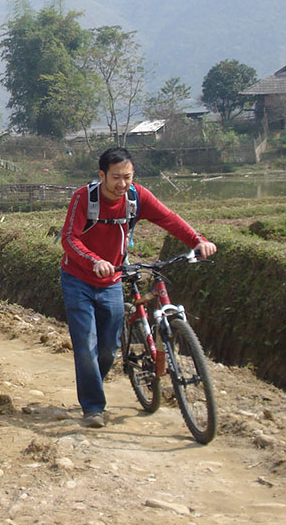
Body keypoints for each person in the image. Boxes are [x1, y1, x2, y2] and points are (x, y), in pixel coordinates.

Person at [60, 147, 217, 428]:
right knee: (86, 344)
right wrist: (94, 261)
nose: (122, 184)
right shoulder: (84, 198)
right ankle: (93, 407)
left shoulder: (136, 197)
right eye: (116, 177)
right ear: (102, 175)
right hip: (78, 278)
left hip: (112, 279)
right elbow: (70, 239)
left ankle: (91, 381)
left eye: (128, 177)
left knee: (108, 350)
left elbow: (168, 218)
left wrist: (197, 240)